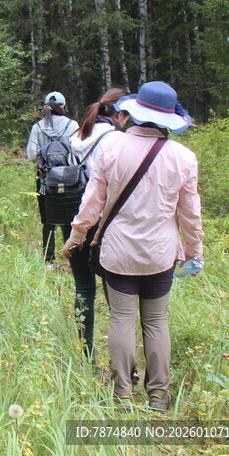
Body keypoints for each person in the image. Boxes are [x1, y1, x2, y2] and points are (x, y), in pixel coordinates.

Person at [62, 81, 204, 412]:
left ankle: (123, 395)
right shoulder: (184, 157)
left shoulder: (111, 149)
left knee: (122, 319)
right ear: (170, 119)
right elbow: (190, 215)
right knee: (156, 322)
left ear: (136, 112)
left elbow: (91, 203)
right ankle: (158, 396)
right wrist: (195, 254)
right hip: (160, 254)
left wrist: (77, 236)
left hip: (118, 252)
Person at [65, 87, 129, 359]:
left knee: (83, 287)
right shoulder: (116, 140)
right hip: (104, 221)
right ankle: (124, 360)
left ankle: (85, 354)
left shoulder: (78, 135)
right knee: (115, 293)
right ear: (121, 114)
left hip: (75, 216)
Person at [26, 91, 79, 265]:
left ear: (45, 108)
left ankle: (49, 261)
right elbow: (79, 152)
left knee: (48, 221)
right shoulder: (72, 126)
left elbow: (32, 155)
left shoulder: (38, 127)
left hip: (45, 180)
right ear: (64, 106)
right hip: (69, 180)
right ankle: (71, 258)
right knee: (69, 218)